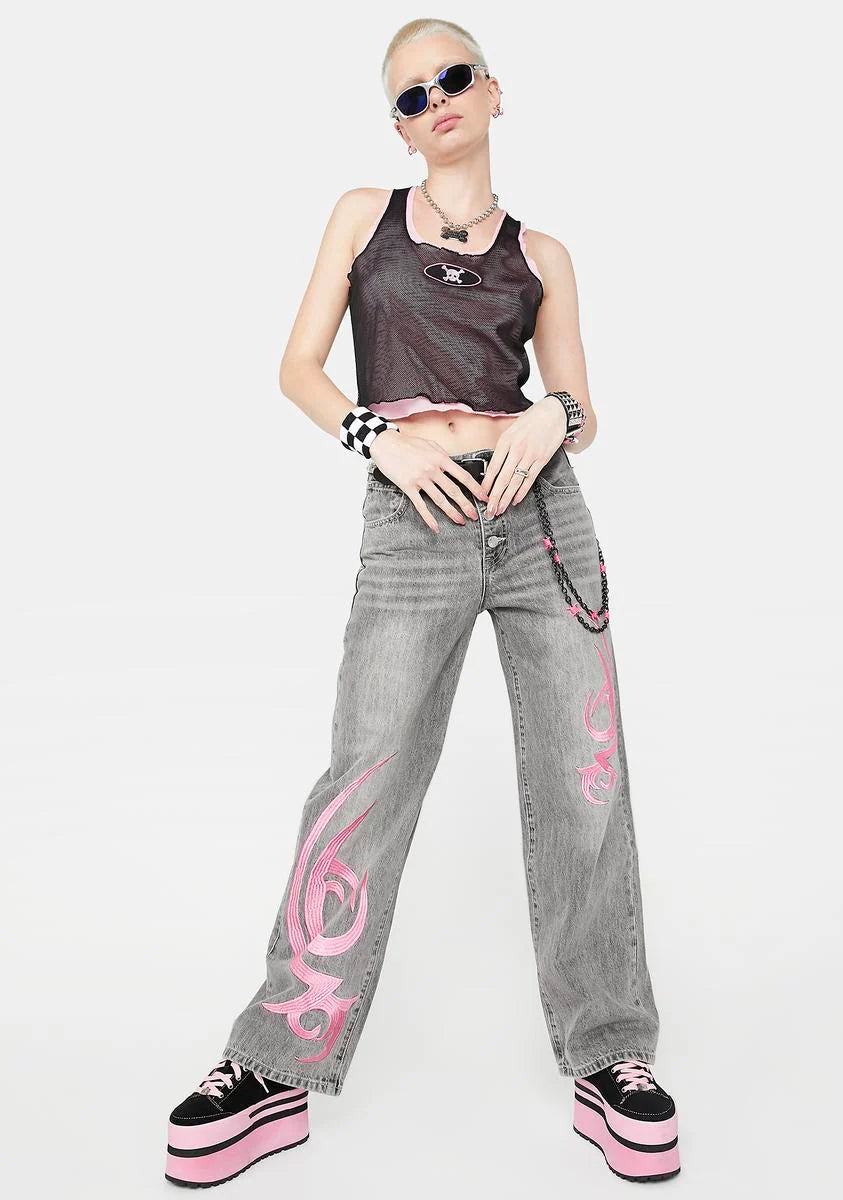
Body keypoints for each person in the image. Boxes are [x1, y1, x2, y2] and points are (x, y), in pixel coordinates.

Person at [164, 17, 680, 1189]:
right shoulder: (365, 216)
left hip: (543, 523)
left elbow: (581, 403)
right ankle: (275, 1061)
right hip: (414, 519)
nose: (435, 99)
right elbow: (297, 368)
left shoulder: (544, 253)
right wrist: (379, 441)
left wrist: (554, 416)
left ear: (495, 93)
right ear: (398, 126)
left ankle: (612, 1055)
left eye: (453, 77)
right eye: (410, 94)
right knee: (365, 776)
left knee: (586, 781)